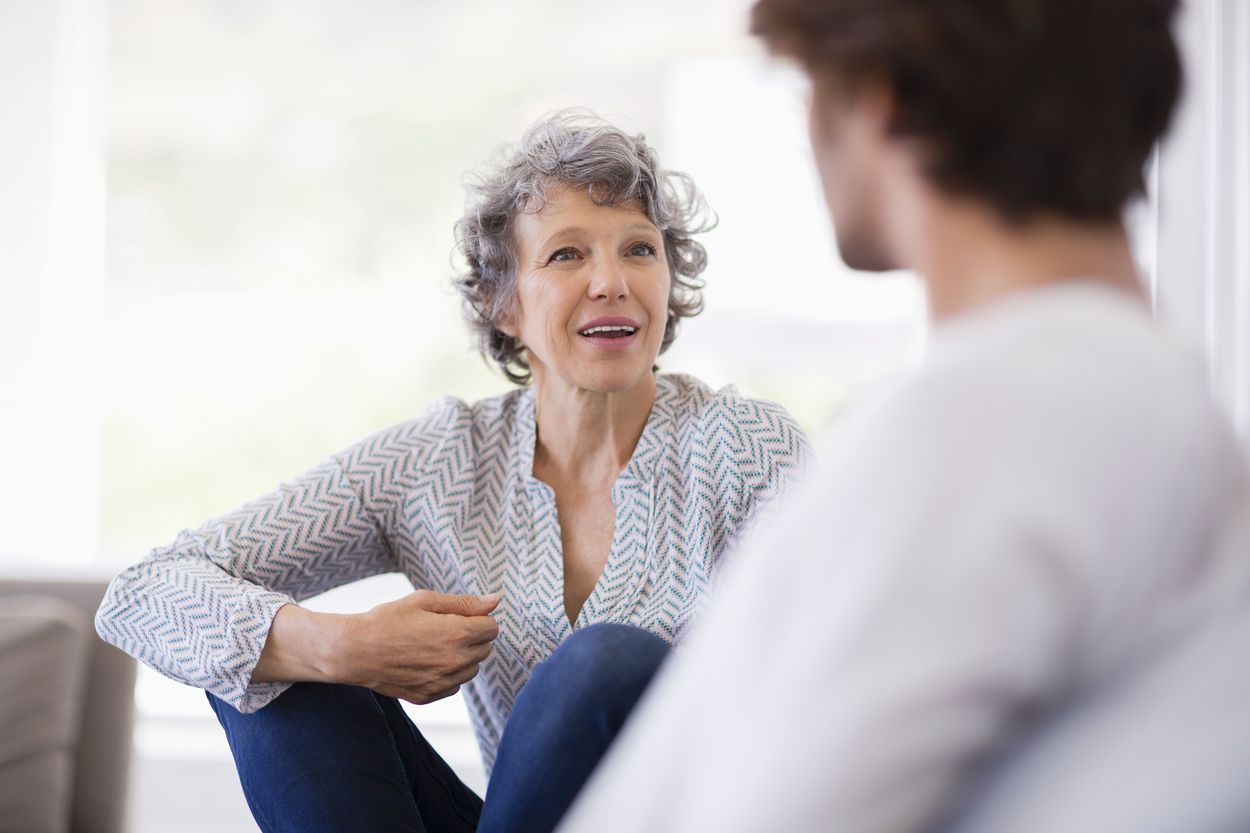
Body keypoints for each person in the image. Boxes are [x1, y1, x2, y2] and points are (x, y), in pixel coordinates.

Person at [556, 2, 1250, 832]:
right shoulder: (1150, 414)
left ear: (879, 98)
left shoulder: (986, 434)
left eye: (810, 85)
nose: (807, 127)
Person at [94, 110, 812, 833]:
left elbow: (831, 690)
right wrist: (342, 644)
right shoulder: (442, 459)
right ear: (505, 304)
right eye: (567, 255)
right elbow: (141, 593)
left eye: (639, 249)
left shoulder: (751, 449)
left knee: (609, 661)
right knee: (269, 666)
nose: (611, 281)